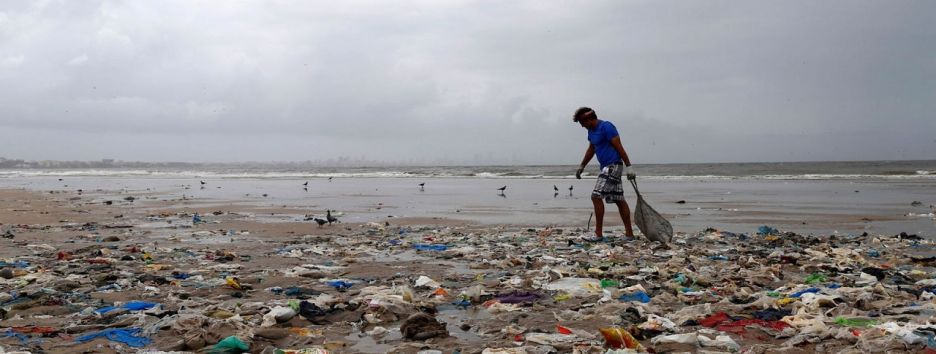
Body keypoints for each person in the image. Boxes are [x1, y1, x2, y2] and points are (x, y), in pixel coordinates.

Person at [573, 106, 636, 239]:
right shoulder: (591, 131)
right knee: (619, 199)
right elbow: (592, 148)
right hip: (605, 167)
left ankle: (598, 234)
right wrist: (582, 166)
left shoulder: (607, 127)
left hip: (613, 165)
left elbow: (619, 146)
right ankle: (629, 235)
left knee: (596, 196)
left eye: (582, 123)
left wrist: (629, 166)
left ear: (590, 119)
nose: (582, 126)